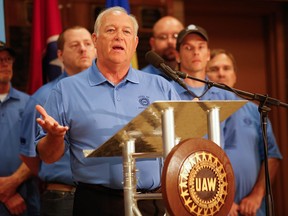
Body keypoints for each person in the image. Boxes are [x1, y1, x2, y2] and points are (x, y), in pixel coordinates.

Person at [34, 7, 180, 216]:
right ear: (95, 39)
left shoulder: (161, 86)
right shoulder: (66, 90)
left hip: (154, 203)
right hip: (96, 204)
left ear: (135, 43)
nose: (119, 36)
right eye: (111, 30)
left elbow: (180, 144)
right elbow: (48, 157)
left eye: (126, 32)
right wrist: (55, 137)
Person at [19, 26, 96, 216]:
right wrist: (56, 171)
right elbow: (29, 156)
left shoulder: (108, 91)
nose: (83, 49)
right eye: (75, 45)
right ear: (60, 54)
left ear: (96, 49)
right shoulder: (44, 96)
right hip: (64, 196)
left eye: (88, 44)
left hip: (103, 197)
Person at [206, 49, 282, 216]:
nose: (221, 74)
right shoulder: (198, 111)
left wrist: (257, 195)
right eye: (214, 69)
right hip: (211, 207)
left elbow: (272, 156)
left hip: (252, 210)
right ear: (205, 76)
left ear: (235, 75)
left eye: (226, 68)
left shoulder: (255, 111)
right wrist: (218, 199)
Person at [0, 41, 40, 215]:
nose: (5, 64)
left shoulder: (30, 103)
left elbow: (40, 150)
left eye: (8, 59)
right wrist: (5, 195)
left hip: (24, 199)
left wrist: (14, 185)